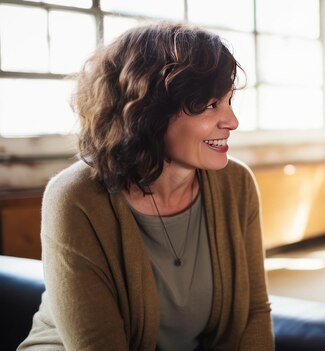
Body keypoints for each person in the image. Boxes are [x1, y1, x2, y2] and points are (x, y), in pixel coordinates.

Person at [19, 22, 274, 351]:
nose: (232, 121)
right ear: (149, 111)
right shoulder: (74, 197)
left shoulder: (236, 183)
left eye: (229, 101)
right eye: (211, 105)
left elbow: (254, 312)